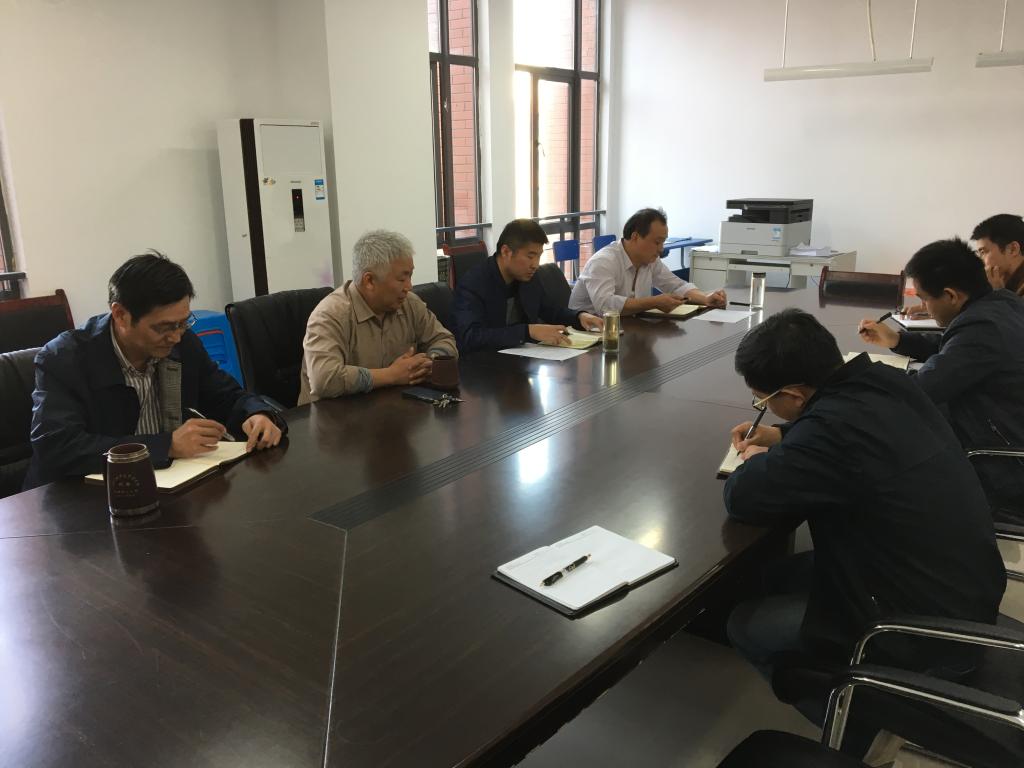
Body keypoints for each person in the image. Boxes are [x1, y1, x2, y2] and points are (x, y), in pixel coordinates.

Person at [724, 309, 1005, 713]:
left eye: (763, 402)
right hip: (963, 590)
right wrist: (784, 434)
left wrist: (756, 461)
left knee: (745, 625)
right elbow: (845, 432)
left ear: (796, 395)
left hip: (920, 631)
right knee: (773, 575)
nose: (761, 407)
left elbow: (742, 497)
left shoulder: (830, 433)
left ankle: (854, 718)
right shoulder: (887, 381)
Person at [25, 253, 285, 488]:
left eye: (183, 323)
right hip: (79, 499)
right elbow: (56, 447)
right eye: (163, 327)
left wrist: (256, 413)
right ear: (121, 315)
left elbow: (225, 394)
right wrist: (165, 445)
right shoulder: (64, 359)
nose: (175, 336)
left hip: (165, 486)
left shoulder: (183, 343)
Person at [859, 238, 1024, 522]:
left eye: (924, 298)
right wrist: (898, 340)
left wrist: (860, 381)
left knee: (876, 468)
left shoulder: (981, 327)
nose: (923, 305)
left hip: (1000, 466)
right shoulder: (1001, 303)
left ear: (951, 295)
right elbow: (954, 350)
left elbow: (920, 390)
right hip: (1003, 433)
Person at [299, 229, 457, 402]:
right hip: (331, 415)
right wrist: (392, 375)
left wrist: (430, 362)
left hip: (389, 408)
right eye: (402, 279)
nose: (409, 287)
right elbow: (324, 379)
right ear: (369, 281)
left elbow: (444, 339)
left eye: (410, 276)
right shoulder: (330, 315)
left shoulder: (409, 304)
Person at [453, 219, 603, 354]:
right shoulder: (474, 283)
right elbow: (470, 337)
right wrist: (528, 331)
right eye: (530, 256)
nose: (535, 265)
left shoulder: (527, 277)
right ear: (506, 252)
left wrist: (579, 316)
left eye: (539, 256)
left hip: (523, 358)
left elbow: (549, 310)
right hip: (484, 366)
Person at [568, 208, 726, 316]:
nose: (661, 249)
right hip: (587, 335)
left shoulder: (650, 260)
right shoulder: (604, 261)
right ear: (635, 237)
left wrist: (706, 298)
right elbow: (606, 306)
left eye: (663, 242)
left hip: (626, 329)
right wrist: (653, 302)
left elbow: (677, 286)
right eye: (657, 242)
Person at [974, 213, 1024, 296]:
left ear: (1013, 249)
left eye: (983, 252)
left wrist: (999, 294)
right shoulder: (1002, 285)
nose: (980, 260)